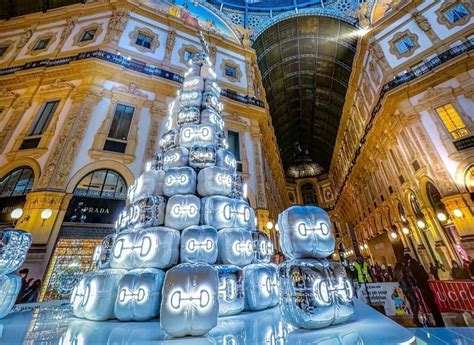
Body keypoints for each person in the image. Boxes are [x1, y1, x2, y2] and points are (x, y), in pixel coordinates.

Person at [404, 254, 445, 327]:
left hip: (421, 288)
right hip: (426, 286)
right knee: (433, 305)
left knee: (428, 305)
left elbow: (412, 280)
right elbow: (426, 276)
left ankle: (433, 321)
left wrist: (415, 284)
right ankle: (440, 322)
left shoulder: (410, 268)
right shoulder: (419, 265)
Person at [394, 261, 421, 326]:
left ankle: (415, 318)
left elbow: (395, 278)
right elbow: (408, 276)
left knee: (411, 302)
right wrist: (414, 282)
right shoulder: (403, 268)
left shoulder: (395, 270)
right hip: (408, 286)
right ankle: (415, 317)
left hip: (403, 288)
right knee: (415, 302)